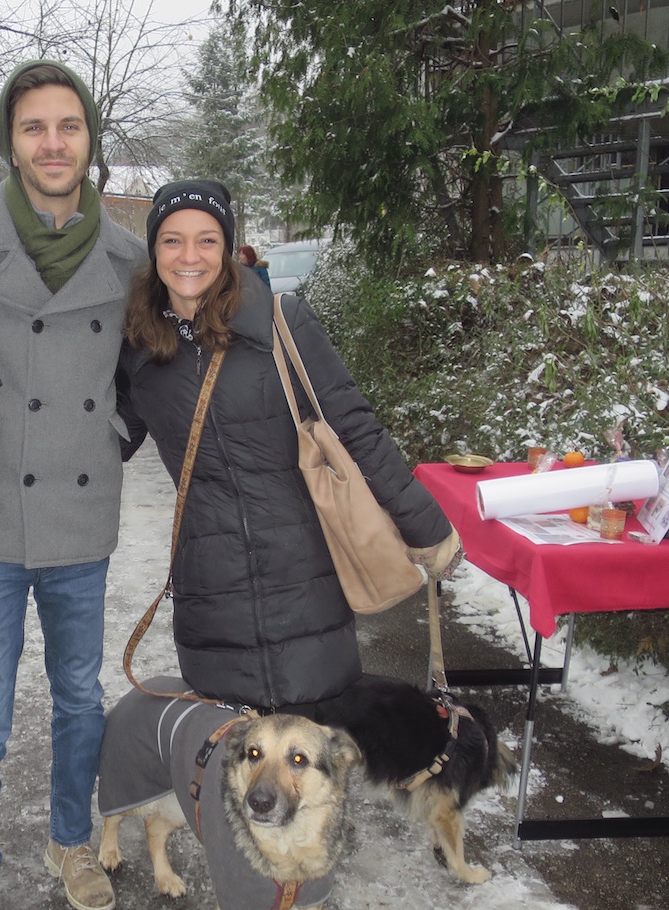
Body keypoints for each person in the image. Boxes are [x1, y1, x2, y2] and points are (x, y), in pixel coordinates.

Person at [0, 59, 146, 910]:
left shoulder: (130, 256)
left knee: (79, 699)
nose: (53, 143)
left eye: (68, 125)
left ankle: (69, 842)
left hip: (80, 511)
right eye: (34, 127)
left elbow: (154, 364)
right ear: (10, 142)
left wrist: (115, 433)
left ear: (89, 138)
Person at [119, 180, 461, 709]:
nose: (189, 256)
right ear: (153, 251)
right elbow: (108, 441)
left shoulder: (281, 323)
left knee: (314, 734)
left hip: (305, 575)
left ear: (227, 248)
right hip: (210, 588)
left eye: (207, 240)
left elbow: (355, 427)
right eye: (172, 240)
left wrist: (427, 530)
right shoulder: (138, 348)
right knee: (232, 744)